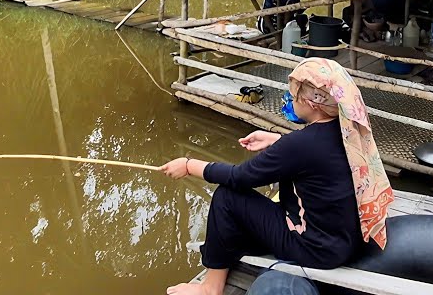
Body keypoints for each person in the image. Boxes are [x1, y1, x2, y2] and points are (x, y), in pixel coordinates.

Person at [160, 58, 395, 295]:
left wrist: (189, 165)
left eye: (294, 95)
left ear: (312, 103)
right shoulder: (346, 131)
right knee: (243, 211)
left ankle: (210, 288)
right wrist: (277, 141)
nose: (291, 100)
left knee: (227, 197)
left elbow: (240, 177)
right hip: (342, 241)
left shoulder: (300, 144)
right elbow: (314, 155)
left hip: (315, 248)